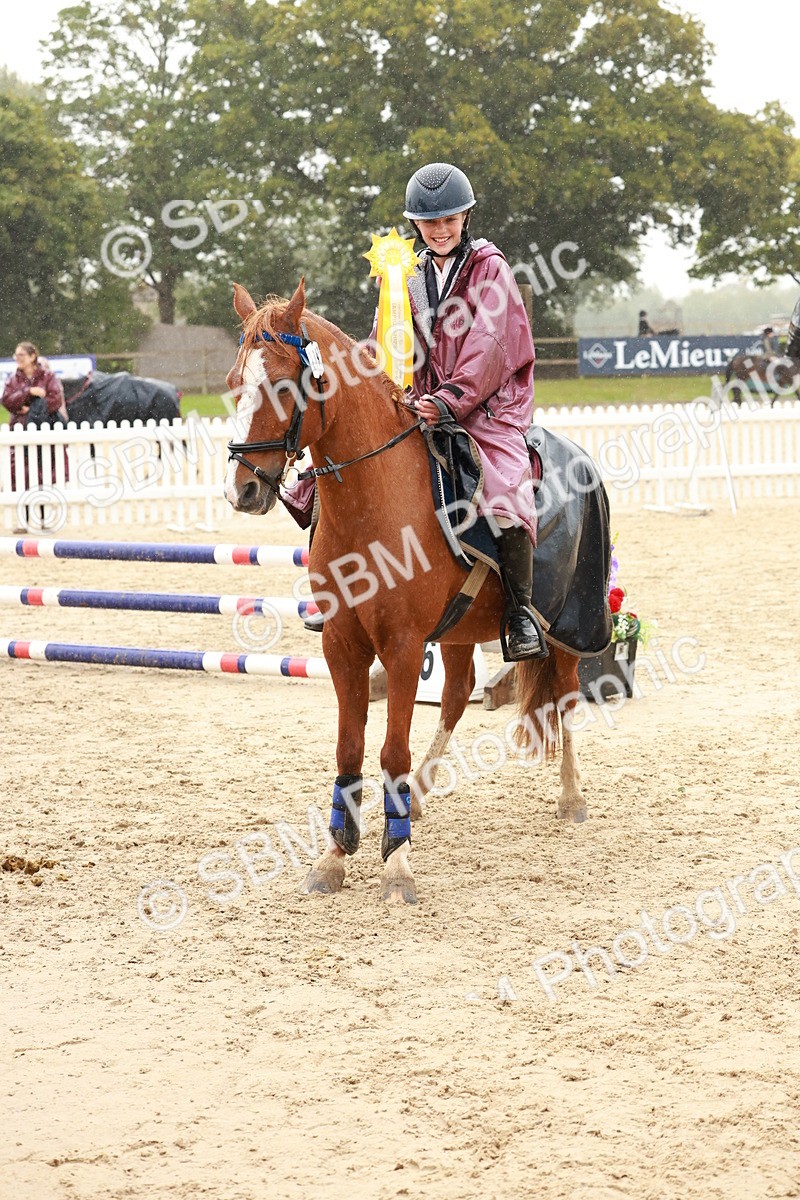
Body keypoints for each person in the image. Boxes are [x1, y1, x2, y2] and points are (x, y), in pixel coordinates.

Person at [296, 162, 547, 659]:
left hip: (486, 406)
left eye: (449, 220)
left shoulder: (489, 267)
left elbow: (491, 345)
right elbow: (383, 341)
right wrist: (370, 388)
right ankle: (340, 591)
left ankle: (519, 613)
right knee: (331, 473)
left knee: (504, 483)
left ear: (467, 216)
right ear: (416, 224)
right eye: (430, 222)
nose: (440, 230)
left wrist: (448, 400)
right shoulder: (405, 274)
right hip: (420, 400)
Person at [2, 342, 68, 531]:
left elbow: (54, 400)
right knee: (21, 478)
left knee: (43, 477)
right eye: (16, 355)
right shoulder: (14, 379)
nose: (18, 359)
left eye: (21, 355)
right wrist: (28, 392)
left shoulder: (48, 377)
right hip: (20, 433)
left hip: (42, 433)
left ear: (32, 357)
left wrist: (31, 410)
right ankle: (24, 521)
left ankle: (43, 519)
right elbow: (6, 400)